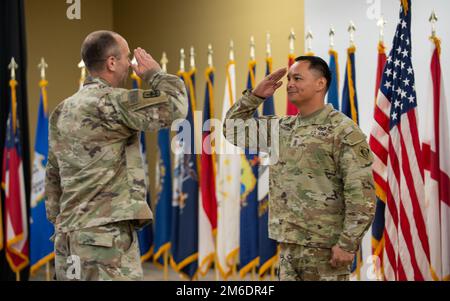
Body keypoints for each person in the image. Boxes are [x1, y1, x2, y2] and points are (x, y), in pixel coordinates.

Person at [45, 30, 187, 281]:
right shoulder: (115, 101)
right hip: (103, 243)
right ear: (112, 62)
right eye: (127, 57)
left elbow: (53, 173)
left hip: (67, 240)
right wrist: (154, 74)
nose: (131, 64)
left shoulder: (62, 110)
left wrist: (62, 223)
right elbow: (176, 106)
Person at [224, 56, 375, 281]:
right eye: (289, 79)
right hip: (288, 246)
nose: (290, 84)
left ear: (320, 83)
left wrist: (347, 244)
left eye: (297, 78)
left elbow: (361, 194)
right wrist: (255, 96)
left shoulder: (343, 130)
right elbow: (232, 130)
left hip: (325, 249)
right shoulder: (281, 128)